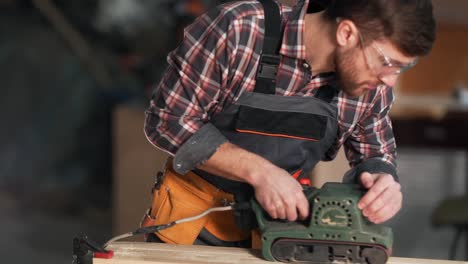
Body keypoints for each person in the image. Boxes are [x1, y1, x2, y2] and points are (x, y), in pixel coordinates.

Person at [141, 0, 436, 248]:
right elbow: (169, 121)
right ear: (346, 33)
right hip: (189, 223)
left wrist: (383, 179)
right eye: (388, 62)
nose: (391, 80)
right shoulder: (240, 29)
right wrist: (259, 171)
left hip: (280, 233)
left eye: (403, 67)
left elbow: (375, 153)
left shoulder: (371, 85)